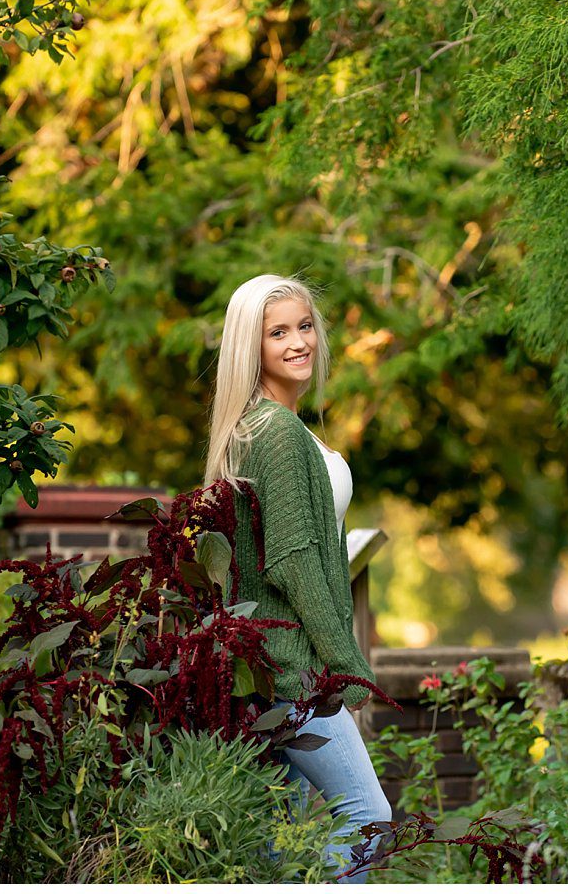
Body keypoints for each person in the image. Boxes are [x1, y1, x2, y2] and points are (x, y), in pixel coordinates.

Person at [204, 273, 391, 881]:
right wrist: (346, 663)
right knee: (368, 817)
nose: (298, 343)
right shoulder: (277, 434)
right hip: (293, 668)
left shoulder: (262, 426)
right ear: (247, 347)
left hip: (266, 666)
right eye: (276, 332)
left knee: (271, 847)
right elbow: (292, 561)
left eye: (305, 326)